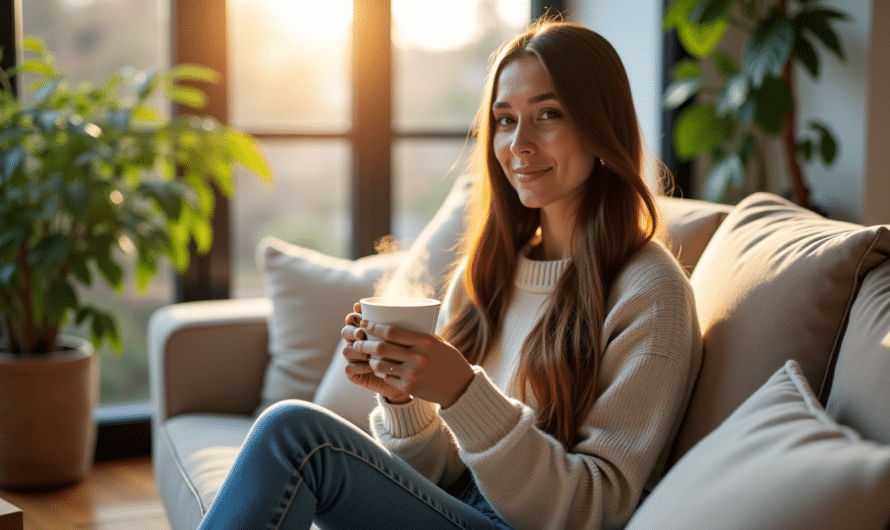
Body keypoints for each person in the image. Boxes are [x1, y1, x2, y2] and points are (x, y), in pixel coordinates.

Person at [198, 18, 701, 530]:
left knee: (296, 435)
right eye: (505, 120)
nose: (519, 143)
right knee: (294, 435)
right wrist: (403, 398)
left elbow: (597, 507)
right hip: (462, 512)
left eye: (548, 114)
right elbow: (441, 474)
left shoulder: (650, 293)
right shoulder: (489, 273)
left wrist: (463, 391)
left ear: (602, 126)